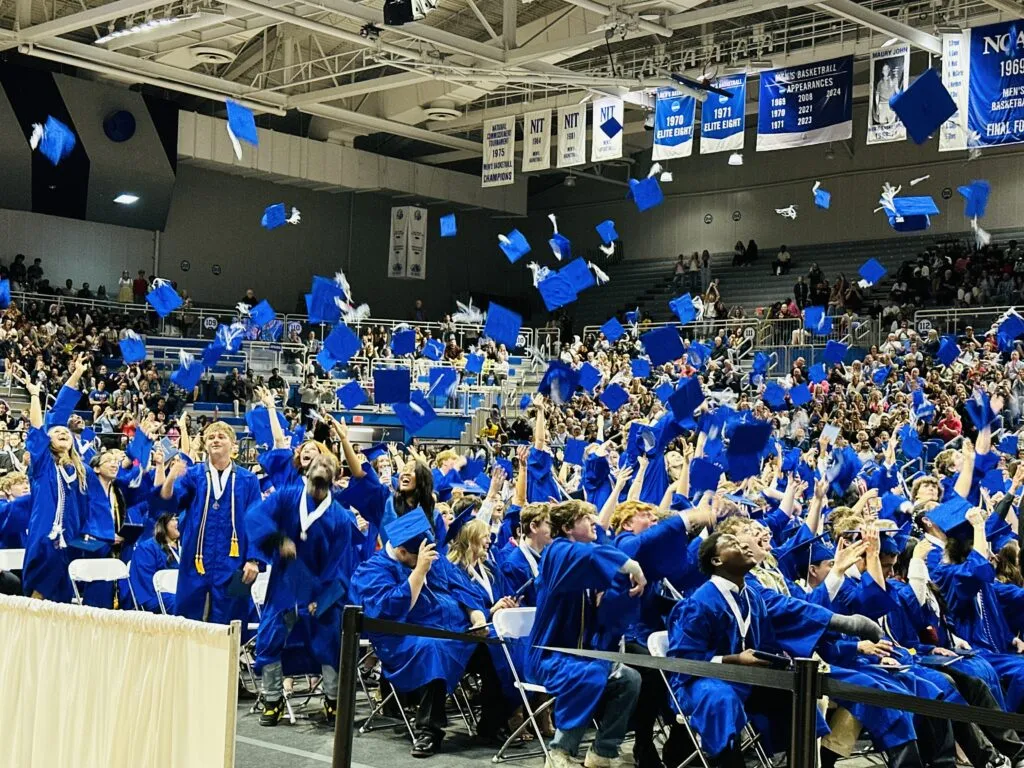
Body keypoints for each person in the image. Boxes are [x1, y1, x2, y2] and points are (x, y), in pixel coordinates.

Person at [352, 512, 510, 757]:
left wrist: (476, 615)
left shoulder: (432, 558)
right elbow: (387, 610)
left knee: (496, 646)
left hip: (454, 631)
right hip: (405, 638)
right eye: (419, 559)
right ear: (403, 552)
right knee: (432, 650)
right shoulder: (372, 570)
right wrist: (419, 573)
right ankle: (429, 731)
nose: (429, 563)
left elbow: (463, 588)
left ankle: (492, 723)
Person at [528, 499, 644, 768]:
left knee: (629, 678)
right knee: (590, 675)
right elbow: (592, 554)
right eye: (586, 518)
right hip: (549, 655)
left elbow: (599, 553)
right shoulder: (556, 552)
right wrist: (631, 565)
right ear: (568, 527)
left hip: (583, 654)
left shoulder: (586, 558)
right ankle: (560, 752)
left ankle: (602, 751)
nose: (595, 522)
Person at [247, 454, 354, 726]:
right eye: (318, 463)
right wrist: (277, 538)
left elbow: (340, 565)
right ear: (307, 468)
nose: (322, 466)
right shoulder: (286, 497)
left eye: (328, 465)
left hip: (322, 589)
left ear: (336, 474)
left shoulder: (341, 518)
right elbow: (255, 515)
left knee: (329, 639)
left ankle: (332, 700)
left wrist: (323, 599)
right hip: (285, 584)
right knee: (270, 635)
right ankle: (272, 700)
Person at [159, 421, 262, 624]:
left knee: (231, 620)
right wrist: (170, 477)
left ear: (234, 445)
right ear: (205, 445)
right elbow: (169, 503)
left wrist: (254, 559)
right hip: (196, 557)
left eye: (221, 437)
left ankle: (228, 656)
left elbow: (258, 522)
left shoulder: (248, 479)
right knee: (187, 618)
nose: (215, 440)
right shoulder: (193, 476)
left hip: (233, 559)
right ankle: (187, 656)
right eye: (211, 437)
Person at [128, 513, 181, 613]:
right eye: (173, 519)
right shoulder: (146, 549)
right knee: (181, 602)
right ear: (162, 524)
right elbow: (147, 585)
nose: (178, 522)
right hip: (154, 596)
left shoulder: (183, 547)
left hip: (177, 593)